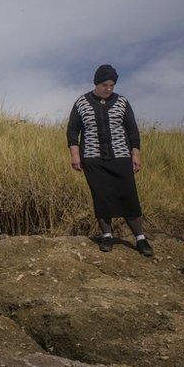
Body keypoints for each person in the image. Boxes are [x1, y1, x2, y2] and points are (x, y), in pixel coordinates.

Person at [67, 64, 152, 256]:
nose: (109, 88)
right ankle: (107, 236)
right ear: (97, 84)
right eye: (105, 84)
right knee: (102, 197)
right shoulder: (81, 102)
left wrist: (135, 154)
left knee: (129, 196)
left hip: (121, 157)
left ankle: (140, 238)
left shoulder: (122, 102)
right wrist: (74, 154)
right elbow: (73, 130)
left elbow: (132, 130)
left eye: (112, 85)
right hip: (92, 158)